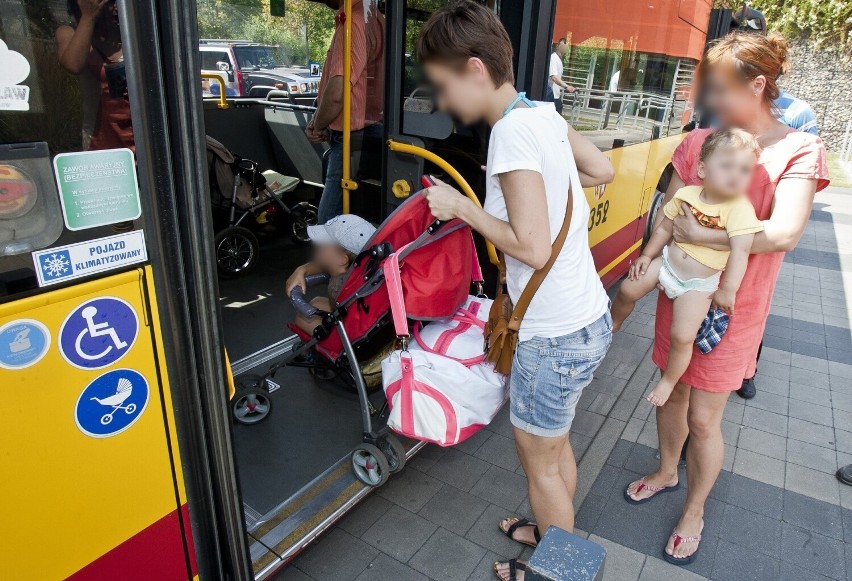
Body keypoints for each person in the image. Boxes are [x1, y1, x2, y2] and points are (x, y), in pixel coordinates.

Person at [415, 3, 614, 579]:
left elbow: (530, 246)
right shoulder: (543, 115)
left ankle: (561, 570)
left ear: (476, 67)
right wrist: (549, 186)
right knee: (554, 449)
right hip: (587, 317)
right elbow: (601, 170)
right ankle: (554, 531)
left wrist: (461, 208)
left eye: (445, 86)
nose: (446, 103)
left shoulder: (509, 133)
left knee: (541, 466)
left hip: (552, 337)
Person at [624, 32, 828, 566]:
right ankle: (668, 471)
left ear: (758, 85)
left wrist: (712, 237)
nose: (709, 100)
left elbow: (783, 233)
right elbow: (671, 213)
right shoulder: (699, 144)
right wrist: (650, 254)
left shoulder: (798, 149)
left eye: (720, 88)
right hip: (680, 291)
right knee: (670, 394)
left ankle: (695, 508)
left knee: (705, 420)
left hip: (731, 308)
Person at [613, 129, 763, 407]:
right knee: (628, 288)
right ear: (703, 169)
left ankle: (668, 381)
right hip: (668, 264)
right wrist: (647, 255)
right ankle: (615, 322)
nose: (736, 175)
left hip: (698, 286)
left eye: (744, 170)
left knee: (682, 337)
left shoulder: (740, 208)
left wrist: (727, 290)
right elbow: (665, 228)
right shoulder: (686, 194)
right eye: (727, 165)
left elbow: (741, 250)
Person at [307, 0, 384, 224]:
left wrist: (318, 124)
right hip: (372, 131)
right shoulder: (377, 20)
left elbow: (337, 94)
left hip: (351, 138)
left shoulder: (352, 21)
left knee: (329, 221)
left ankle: (333, 260)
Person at [56, 0, 134, 152]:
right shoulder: (69, 32)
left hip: (140, 130)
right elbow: (74, 65)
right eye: (111, 2)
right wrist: (88, 17)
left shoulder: (131, 32)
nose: (117, 6)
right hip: (101, 137)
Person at [285, 214, 375, 334]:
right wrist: (302, 270)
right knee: (316, 301)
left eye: (322, 245)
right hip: (364, 317)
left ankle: (316, 350)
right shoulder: (361, 271)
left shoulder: (337, 289)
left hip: (349, 331)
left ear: (341, 260)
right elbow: (324, 265)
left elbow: (323, 266)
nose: (317, 245)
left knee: (301, 319)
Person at [548, 38, 575, 115]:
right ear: (557, 46)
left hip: (555, 95)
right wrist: (567, 86)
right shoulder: (553, 58)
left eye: (566, 46)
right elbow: (554, 77)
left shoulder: (559, 60)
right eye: (563, 45)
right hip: (551, 95)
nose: (565, 48)